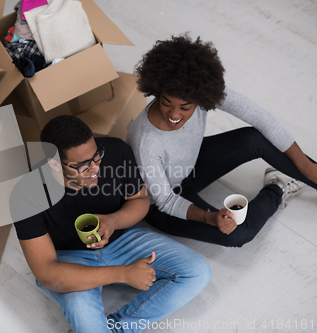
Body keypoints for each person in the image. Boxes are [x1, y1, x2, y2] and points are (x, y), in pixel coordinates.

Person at [12, 115, 211, 333]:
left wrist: (113, 220)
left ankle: (119, 328)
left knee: (197, 272)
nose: (94, 168)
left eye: (96, 156)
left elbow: (140, 200)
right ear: (54, 163)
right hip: (68, 259)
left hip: (122, 238)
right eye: (82, 166)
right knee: (85, 319)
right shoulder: (26, 195)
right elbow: (48, 275)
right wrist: (123, 274)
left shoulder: (115, 151)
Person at [126, 34, 317, 248]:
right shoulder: (147, 141)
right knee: (237, 234)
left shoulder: (199, 91)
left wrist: (306, 166)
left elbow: (260, 117)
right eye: (166, 103)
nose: (174, 114)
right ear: (158, 91)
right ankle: (277, 187)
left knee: (254, 138)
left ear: (199, 98)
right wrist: (210, 217)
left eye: (185, 107)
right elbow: (166, 201)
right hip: (163, 203)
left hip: (191, 167)